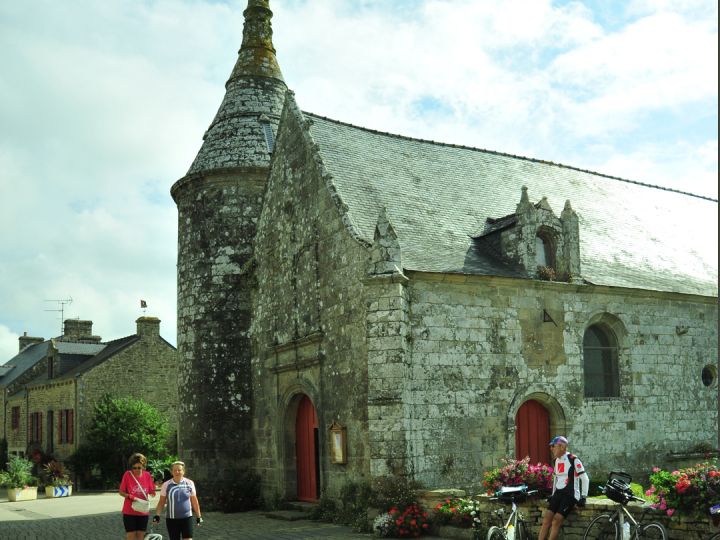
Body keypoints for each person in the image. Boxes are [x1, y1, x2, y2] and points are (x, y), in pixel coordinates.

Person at [538, 436, 589, 540]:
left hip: (570, 494)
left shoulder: (573, 459)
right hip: (558, 493)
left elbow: (585, 479)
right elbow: (556, 479)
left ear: (562, 447)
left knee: (556, 520)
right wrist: (553, 495)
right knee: (547, 519)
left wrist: (583, 497)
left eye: (553, 446)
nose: (551, 448)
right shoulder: (556, 460)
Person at [153, 460, 203, 540]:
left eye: (179, 470)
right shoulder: (166, 485)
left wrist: (199, 516)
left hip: (187, 518)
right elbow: (161, 502)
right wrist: (157, 515)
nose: (177, 472)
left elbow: (194, 501)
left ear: (183, 471)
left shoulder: (189, 483)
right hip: (172, 519)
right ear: (171, 472)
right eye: (175, 470)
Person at [119, 453, 157, 540]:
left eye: (139, 467)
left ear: (143, 466)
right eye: (134, 468)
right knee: (130, 536)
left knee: (141, 536)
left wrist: (153, 492)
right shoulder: (127, 475)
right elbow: (121, 492)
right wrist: (130, 496)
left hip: (143, 511)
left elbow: (151, 491)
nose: (136, 470)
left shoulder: (147, 475)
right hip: (129, 511)